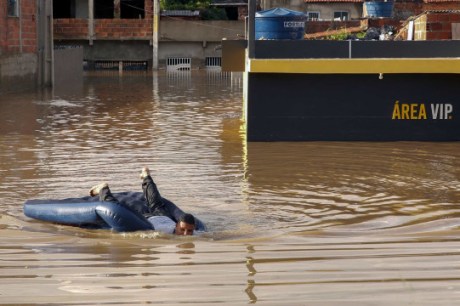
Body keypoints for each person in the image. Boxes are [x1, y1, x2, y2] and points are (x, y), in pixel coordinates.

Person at [89, 167, 196, 236]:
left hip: (162, 217)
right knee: (119, 210)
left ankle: (146, 175)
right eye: (182, 230)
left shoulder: (194, 233)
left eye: (189, 231)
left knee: (156, 203)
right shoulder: (163, 233)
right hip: (147, 220)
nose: (186, 234)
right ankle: (103, 189)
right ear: (176, 225)